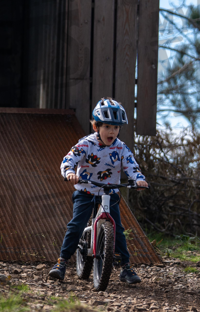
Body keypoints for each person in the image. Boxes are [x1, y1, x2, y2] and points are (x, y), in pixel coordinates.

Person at [48, 97, 148, 285]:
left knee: (117, 229)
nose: (112, 132)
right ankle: (61, 263)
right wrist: (69, 172)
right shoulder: (86, 144)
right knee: (76, 225)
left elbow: (131, 166)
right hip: (86, 191)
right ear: (96, 127)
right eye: (108, 127)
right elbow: (68, 160)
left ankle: (126, 268)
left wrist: (139, 179)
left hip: (109, 194)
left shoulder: (121, 147)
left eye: (116, 128)